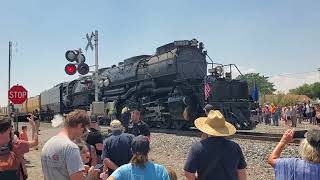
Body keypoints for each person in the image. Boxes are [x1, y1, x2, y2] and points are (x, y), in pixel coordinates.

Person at [184, 110, 247, 180]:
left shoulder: (197, 148)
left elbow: (188, 173)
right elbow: (242, 173)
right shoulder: (235, 147)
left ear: (206, 129)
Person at [41, 109, 99, 180]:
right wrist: (91, 175)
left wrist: (78, 168)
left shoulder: (48, 144)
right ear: (80, 125)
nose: (83, 133)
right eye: (84, 130)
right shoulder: (71, 147)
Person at [0, 115, 38, 180]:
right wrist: (34, 126)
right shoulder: (16, 145)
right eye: (11, 127)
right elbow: (35, 142)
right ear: (9, 129)